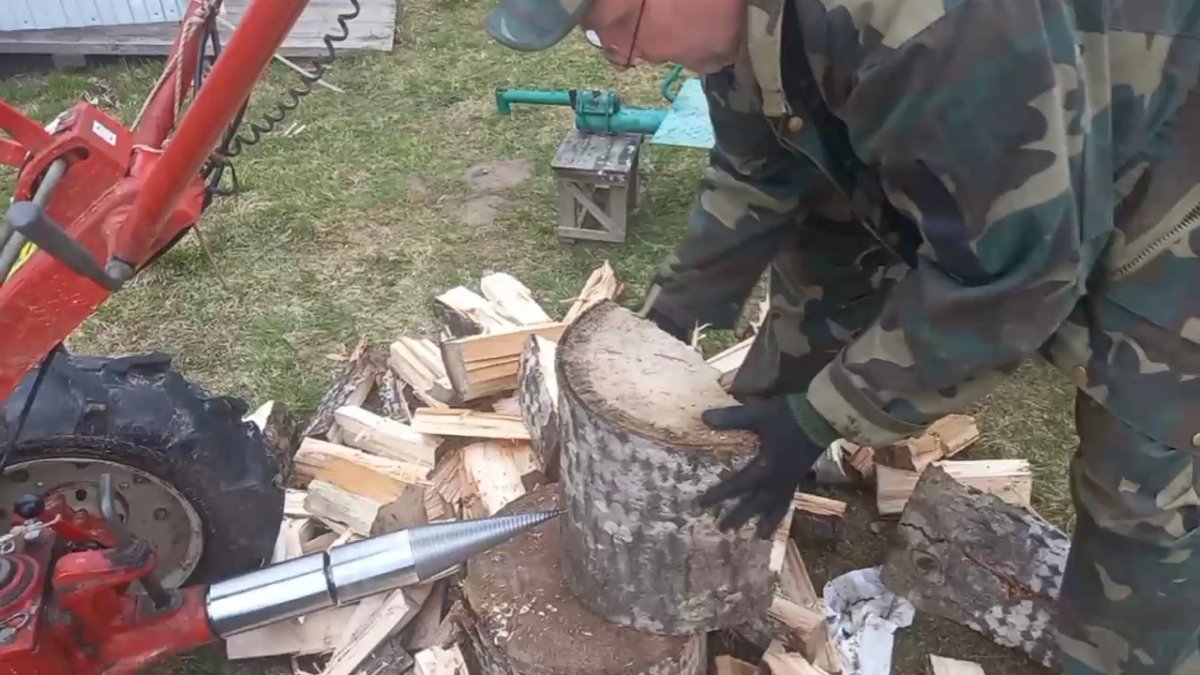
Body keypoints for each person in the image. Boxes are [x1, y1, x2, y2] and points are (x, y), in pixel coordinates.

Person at [485, 0, 1200, 671]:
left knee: (1142, 488)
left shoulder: (930, 32)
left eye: (615, 22)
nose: (616, 57)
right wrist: (673, 313)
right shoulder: (739, 36)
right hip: (1018, 152)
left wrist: (822, 416)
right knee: (817, 270)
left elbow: (1012, 275)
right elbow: (758, 173)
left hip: (1167, 172)